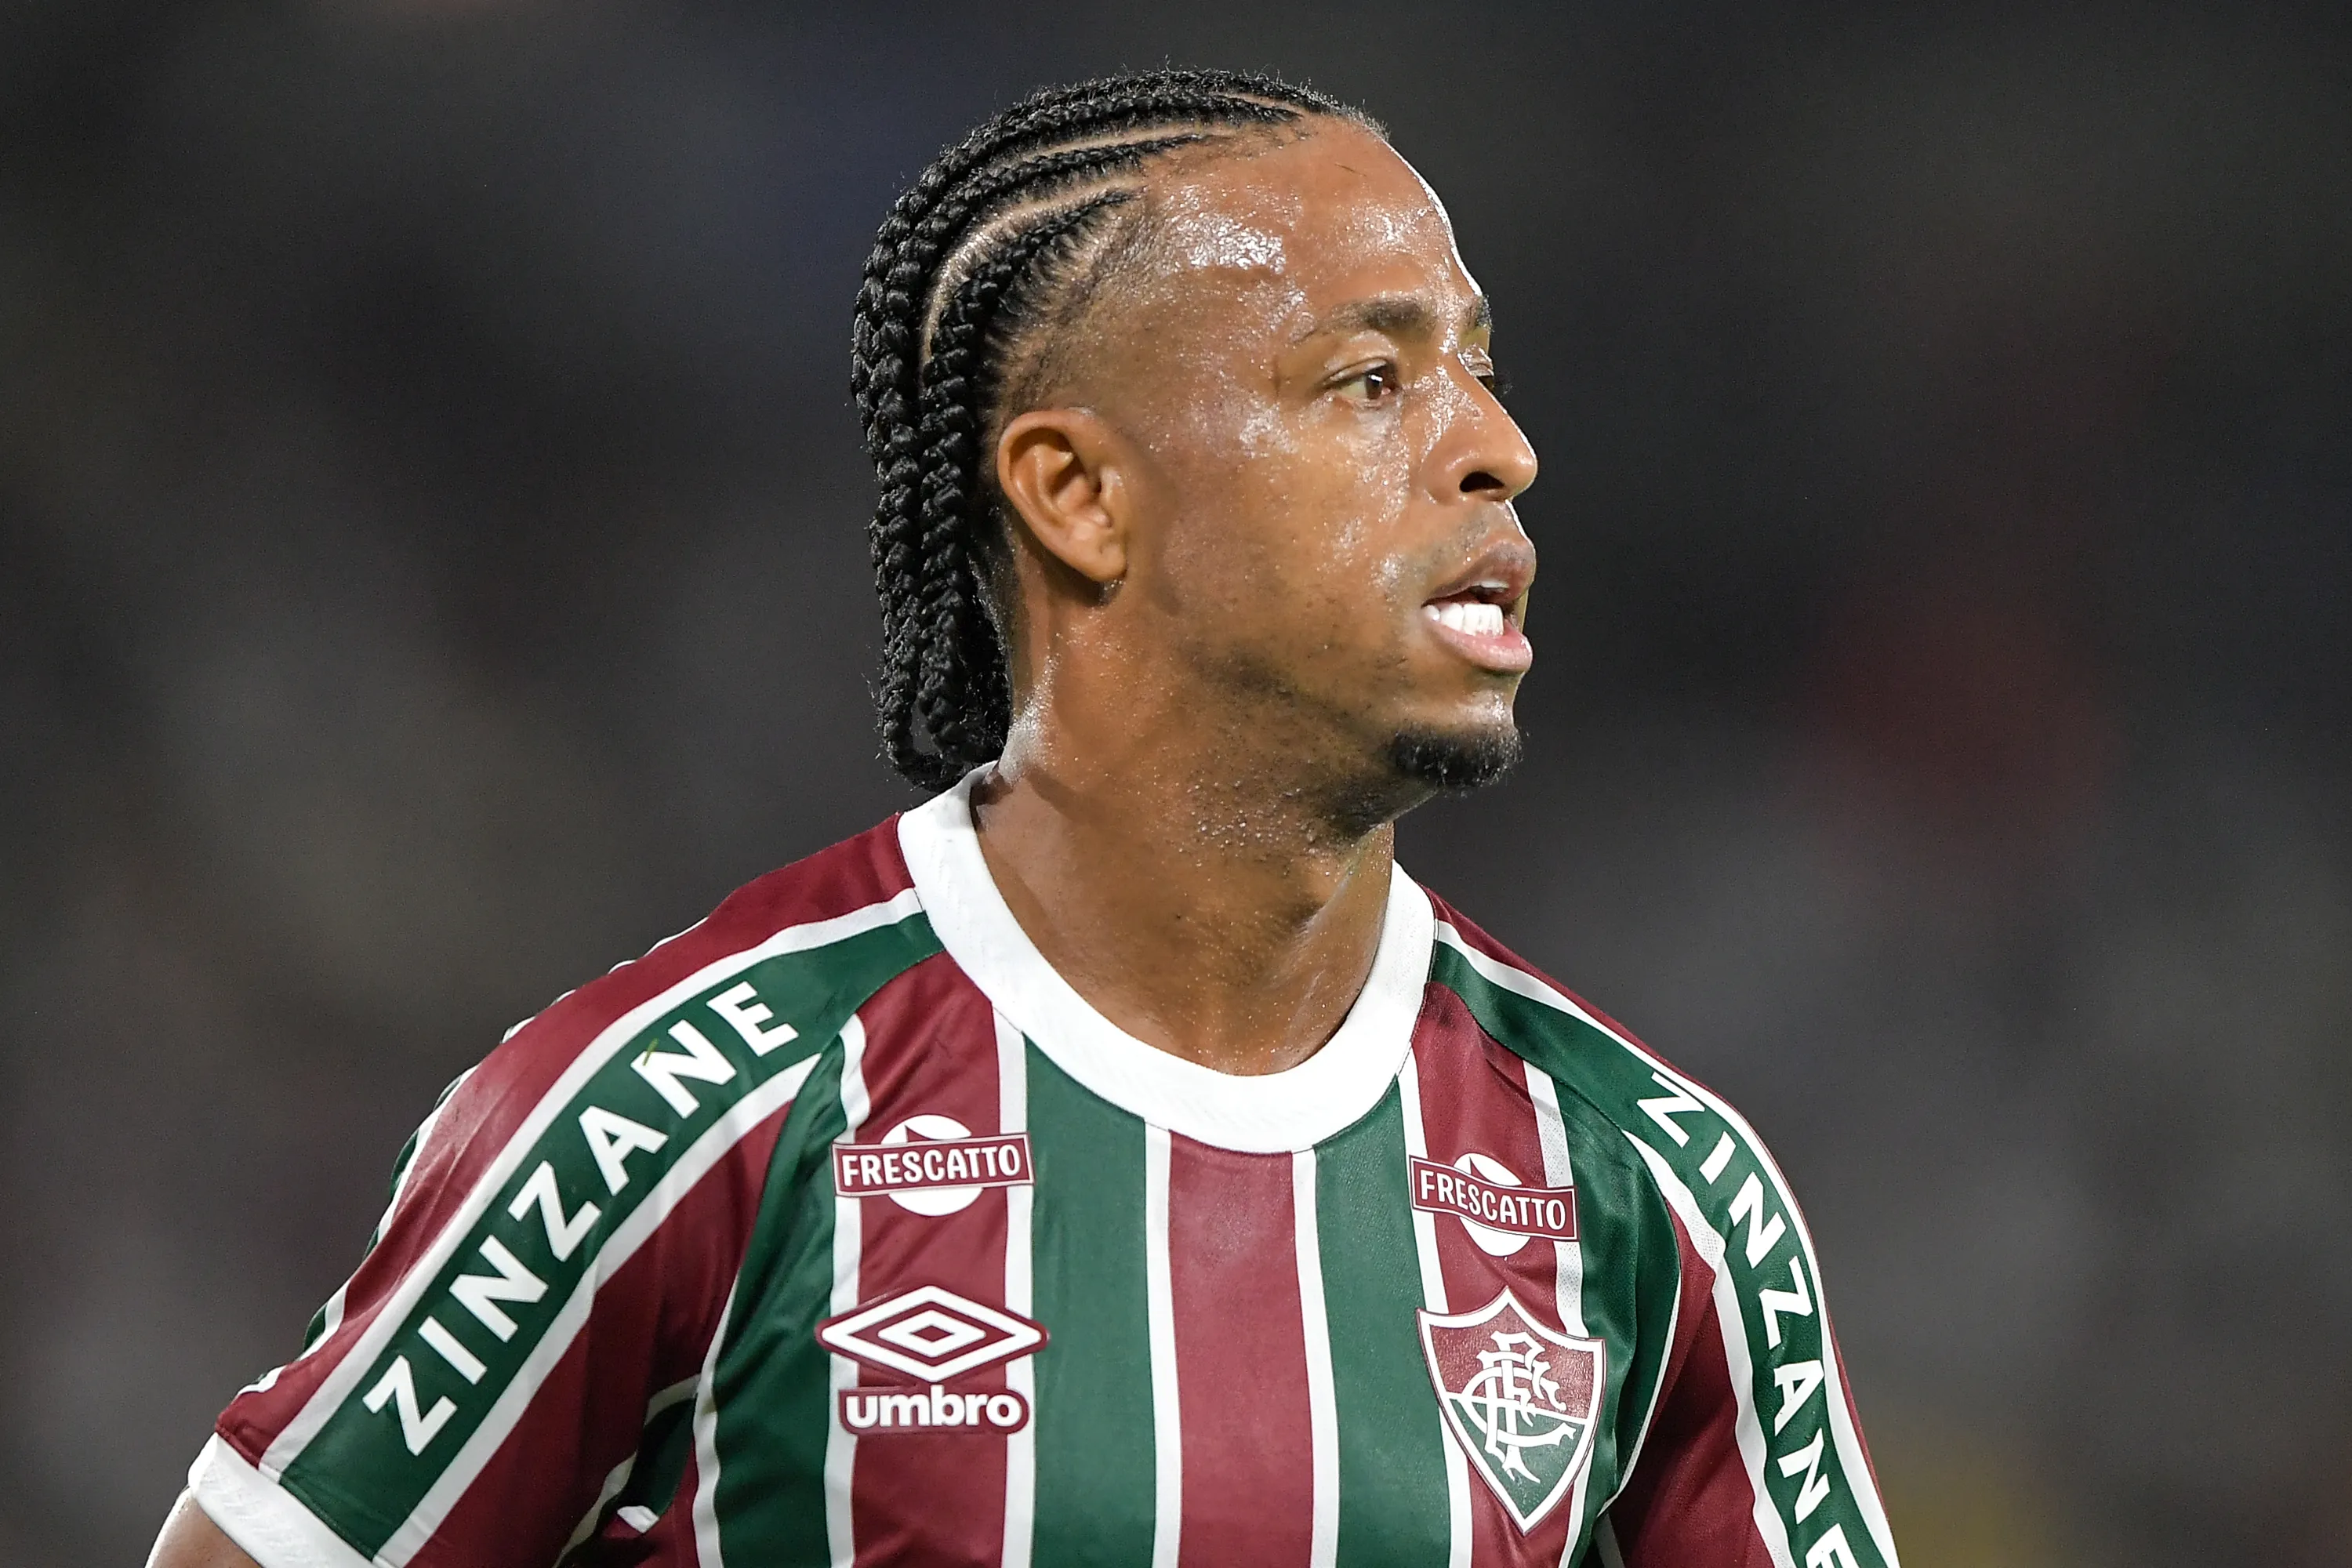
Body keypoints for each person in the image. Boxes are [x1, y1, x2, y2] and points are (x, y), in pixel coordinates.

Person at [149, 68, 1900, 1568]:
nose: (1498, 446)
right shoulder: (688, 1119)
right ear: (1078, 494)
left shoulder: (1650, 1189)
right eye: (1373, 381)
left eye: (1480, 370)